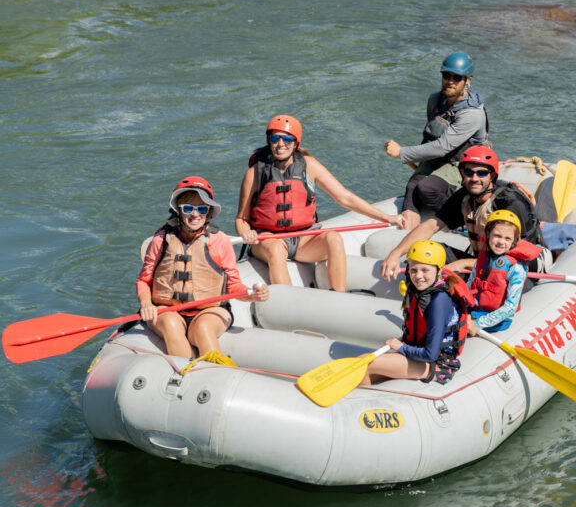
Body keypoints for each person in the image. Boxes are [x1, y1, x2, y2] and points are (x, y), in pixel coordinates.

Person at [237, 114, 406, 290]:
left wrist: (387, 217)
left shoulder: (310, 166)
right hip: (269, 238)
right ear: (269, 141)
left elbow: (345, 198)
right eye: (275, 138)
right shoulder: (255, 174)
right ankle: (289, 304)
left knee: (333, 238)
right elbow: (241, 219)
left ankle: (338, 296)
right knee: (275, 250)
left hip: (304, 238)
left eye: (287, 139)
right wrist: (246, 233)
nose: (281, 144)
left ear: (296, 143)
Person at [137, 175, 269, 359]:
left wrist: (251, 294)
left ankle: (215, 373)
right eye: (188, 208)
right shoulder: (161, 240)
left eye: (201, 208)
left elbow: (233, 286)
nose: (195, 214)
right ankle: (186, 372)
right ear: (178, 211)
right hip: (168, 311)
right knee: (170, 324)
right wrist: (146, 304)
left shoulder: (219, 241)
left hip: (210, 311)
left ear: (208, 212)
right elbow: (144, 280)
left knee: (203, 329)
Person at [380, 145, 540, 281]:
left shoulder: (510, 203)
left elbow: (507, 259)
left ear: (492, 175)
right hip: (480, 262)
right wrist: (396, 253)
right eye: (469, 172)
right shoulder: (464, 196)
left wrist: (461, 264)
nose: (474, 178)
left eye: (482, 173)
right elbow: (430, 226)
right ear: (462, 173)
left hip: (516, 268)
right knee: (425, 252)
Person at [384, 51, 489, 229]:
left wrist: (402, 153)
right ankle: (407, 236)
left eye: (457, 77)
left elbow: (442, 147)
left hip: (464, 163)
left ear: (468, 80)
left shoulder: (472, 114)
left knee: (427, 189)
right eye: (446, 75)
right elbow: (431, 138)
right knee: (413, 188)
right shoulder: (434, 100)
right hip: (439, 159)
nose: (450, 81)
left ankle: (464, 221)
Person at [360, 240, 473, 386]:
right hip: (419, 358)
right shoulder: (419, 292)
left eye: (425, 270)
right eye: (413, 270)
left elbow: (430, 354)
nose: (418, 276)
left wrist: (400, 347)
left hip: (439, 365)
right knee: (367, 366)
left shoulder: (440, 300)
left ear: (439, 270)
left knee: (365, 363)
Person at [466, 210, 540, 334]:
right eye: (497, 236)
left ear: (514, 241)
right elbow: (469, 286)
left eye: (507, 238)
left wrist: (478, 324)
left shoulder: (516, 268)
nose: (501, 242)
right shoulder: (483, 258)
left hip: (499, 319)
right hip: (476, 309)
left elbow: (510, 308)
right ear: (488, 235)